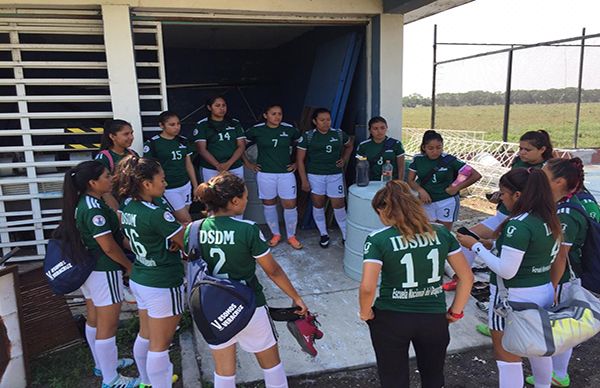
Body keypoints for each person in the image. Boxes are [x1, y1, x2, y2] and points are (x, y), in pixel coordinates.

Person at [195, 172, 309, 388]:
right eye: (246, 197)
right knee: (271, 366)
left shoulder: (194, 229)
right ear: (235, 201)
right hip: (249, 305)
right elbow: (273, 271)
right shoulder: (247, 229)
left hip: (214, 309)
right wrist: (295, 297)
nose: (247, 201)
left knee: (224, 372)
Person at [359, 180, 473, 388]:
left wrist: (365, 312)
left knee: (393, 379)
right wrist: (455, 312)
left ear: (385, 210)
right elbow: (466, 277)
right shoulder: (441, 232)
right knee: (433, 376)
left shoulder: (378, 239)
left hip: (391, 318)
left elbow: (368, 286)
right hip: (433, 317)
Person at [457, 168, 562, 388]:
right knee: (539, 348)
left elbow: (507, 270)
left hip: (512, 296)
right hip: (541, 290)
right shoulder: (547, 217)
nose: (500, 197)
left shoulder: (519, 224)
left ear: (517, 195)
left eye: (503, 193)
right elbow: (529, 252)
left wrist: (474, 246)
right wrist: (492, 245)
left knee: (508, 356)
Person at [53, 160, 137, 388]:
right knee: (107, 327)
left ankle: (102, 364)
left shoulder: (85, 202)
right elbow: (108, 246)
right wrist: (128, 267)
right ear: (92, 182)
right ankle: (112, 380)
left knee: (94, 319)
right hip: (103, 270)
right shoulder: (93, 209)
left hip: (90, 272)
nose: (111, 179)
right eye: (106, 176)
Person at [118, 156, 185, 388]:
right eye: (162, 179)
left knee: (145, 335)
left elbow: (128, 240)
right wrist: (180, 238)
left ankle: (146, 381)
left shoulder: (128, 206)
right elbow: (184, 241)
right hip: (162, 282)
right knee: (160, 344)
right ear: (147, 183)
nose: (165, 184)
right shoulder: (157, 214)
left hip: (141, 277)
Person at [522, 157, 588, 387]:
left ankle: (558, 374)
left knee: (558, 328)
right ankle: (554, 373)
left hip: (559, 280)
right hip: (552, 279)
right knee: (553, 328)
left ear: (559, 182)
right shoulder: (554, 205)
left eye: (544, 175)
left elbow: (561, 256)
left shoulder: (566, 213)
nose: (537, 177)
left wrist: (552, 288)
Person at [469, 130, 554, 241]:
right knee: (469, 236)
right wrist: (501, 196)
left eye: (527, 150)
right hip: (503, 213)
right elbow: (510, 185)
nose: (522, 152)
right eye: (520, 148)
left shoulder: (548, 168)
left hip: (521, 219)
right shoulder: (518, 161)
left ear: (542, 149)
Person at [244, 104, 303, 249]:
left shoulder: (289, 129)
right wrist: (248, 164)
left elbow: (303, 145)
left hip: (286, 174)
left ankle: (291, 236)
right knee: (269, 204)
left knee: (289, 204)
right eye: (273, 114)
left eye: (280, 114)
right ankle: (275, 234)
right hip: (265, 174)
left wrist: (296, 162)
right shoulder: (257, 130)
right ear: (265, 115)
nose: (277, 117)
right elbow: (239, 145)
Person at [296, 108, 353, 248]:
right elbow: (299, 160)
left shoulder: (338, 134)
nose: (326, 122)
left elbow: (349, 145)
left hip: (335, 175)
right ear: (315, 121)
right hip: (315, 175)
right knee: (318, 204)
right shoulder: (308, 136)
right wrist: (304, 180)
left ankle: (346, 235)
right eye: (322, 120)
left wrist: (344, 159)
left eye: (328, 119)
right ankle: (323, 234)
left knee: (339, 205)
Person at [407, 130, 481, 231]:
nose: (435, 151)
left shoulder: (449, 160)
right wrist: (421, 191)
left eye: (439, 148)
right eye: (431, 148)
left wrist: (457, 187)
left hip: (446, 200)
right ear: (424, 148)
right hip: (427, 201)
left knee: (444, 232)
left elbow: (475, 175)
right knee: (428, 231)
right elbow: (410, 180)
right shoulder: (418, 159)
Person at [144, 111, 199, 224]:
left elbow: (188, 164)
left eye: (178, 124)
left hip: (185, 184)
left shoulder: (183, 140)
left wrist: (195, 185)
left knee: (182, 221)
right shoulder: (153, 143)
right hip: (169, 188)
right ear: (161, 125)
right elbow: (149, 167)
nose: (177, 127)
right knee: (186, 219)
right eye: (172, 124)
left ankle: (177, 241)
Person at [192, 96, 246, 183]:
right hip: (211, 169)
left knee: (237, 193)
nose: (221, 108)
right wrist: (217, 165)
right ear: (209, 107)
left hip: (234, 166)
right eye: (217, 106)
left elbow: (241, 146)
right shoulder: (202, 125)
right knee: (212, 194)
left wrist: (229, 163)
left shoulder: (234, 123)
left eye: (224, 105)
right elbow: (201, 149)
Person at [95, 119, 138, 211]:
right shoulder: (104, 157)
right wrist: (117, 212)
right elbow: (103, 190)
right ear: (112, 136)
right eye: (126, 134)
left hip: (133, 204)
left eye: (132, 133)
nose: (131, 137)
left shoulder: (133, 154)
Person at [355, 116, 406, 181]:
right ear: (370, 130)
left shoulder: (396, 144)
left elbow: (401, 167)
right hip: (370, 183)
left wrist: (399, 184)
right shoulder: (363, 146)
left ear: (386, 128)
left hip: (391, 183)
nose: (379, 131)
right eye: (375, 128)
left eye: (382, 128)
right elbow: (360, 167)